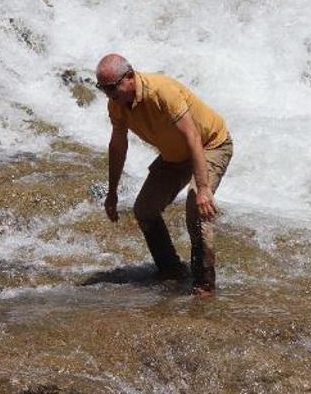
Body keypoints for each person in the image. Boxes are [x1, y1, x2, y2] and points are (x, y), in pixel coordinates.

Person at [96, 53, 233, 297]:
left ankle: (204, 285)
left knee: (196, 207)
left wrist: (203, 189)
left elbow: (193, 137)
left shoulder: (162, 91)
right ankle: (171, 270)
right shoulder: (116, 104)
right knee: (144, 210)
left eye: (111, 87)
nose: (108, 94)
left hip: (210, 145)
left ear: (129, 77)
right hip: (174, 155)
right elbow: (117, 146)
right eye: (102, 88)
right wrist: (112, 192)